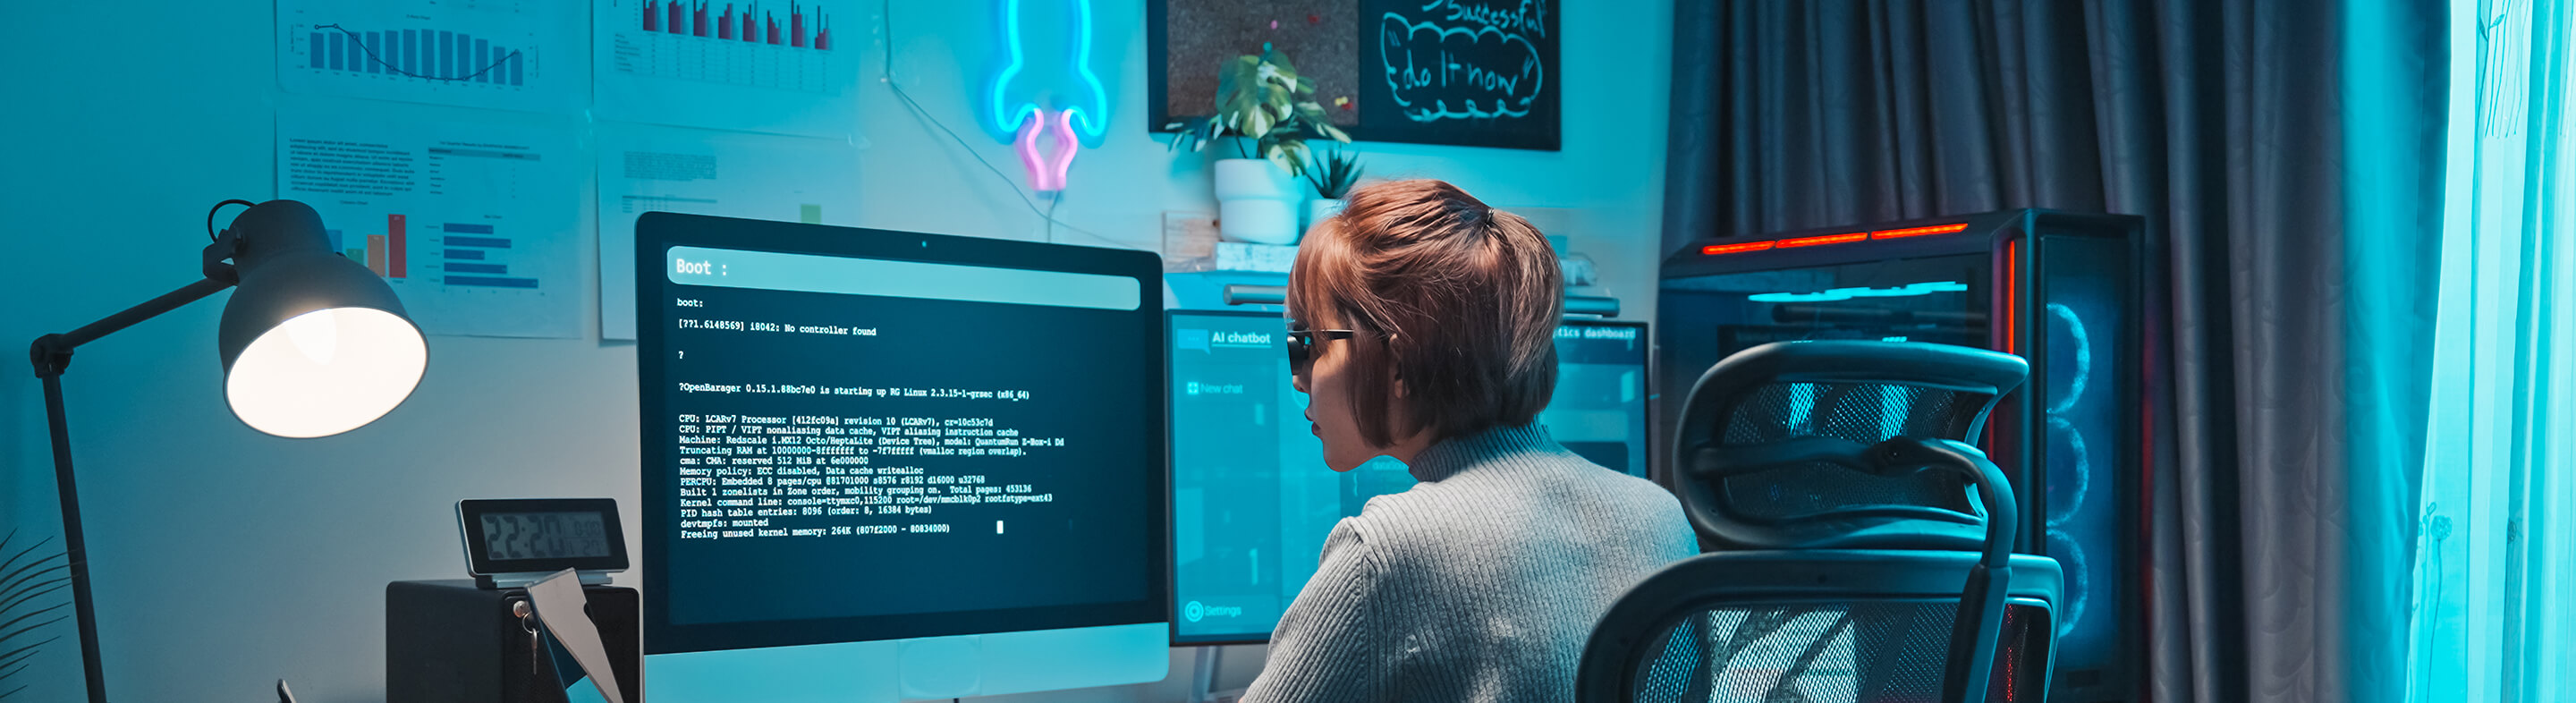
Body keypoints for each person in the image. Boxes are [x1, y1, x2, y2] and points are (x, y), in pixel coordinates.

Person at [1241, 179, 1697, 703]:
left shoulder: (1386, 551)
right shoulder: (1660, 515)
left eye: (1308, 345)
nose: (1298, 377)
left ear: (1396, 364)